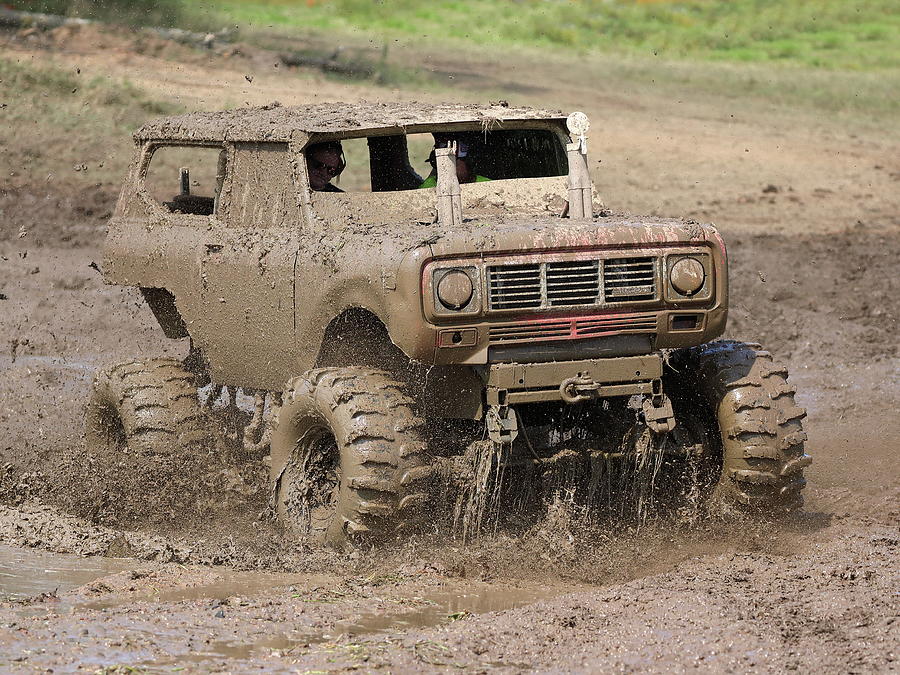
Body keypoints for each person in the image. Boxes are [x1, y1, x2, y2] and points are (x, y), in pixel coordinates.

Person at [418, 139, 490, 188]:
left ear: (469, 163)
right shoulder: (428, 186)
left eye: (456, 163)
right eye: (446, 163)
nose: (451, 168)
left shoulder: (486, 185)